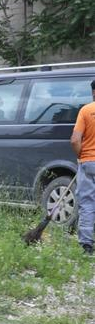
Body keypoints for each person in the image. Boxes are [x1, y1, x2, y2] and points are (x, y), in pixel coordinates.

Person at [70, 79, 95, 256]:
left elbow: (75, 140)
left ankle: (86, 244)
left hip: (89, 162)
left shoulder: (86, 110)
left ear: (93, 92)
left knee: (87, 203)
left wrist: (81, 156)